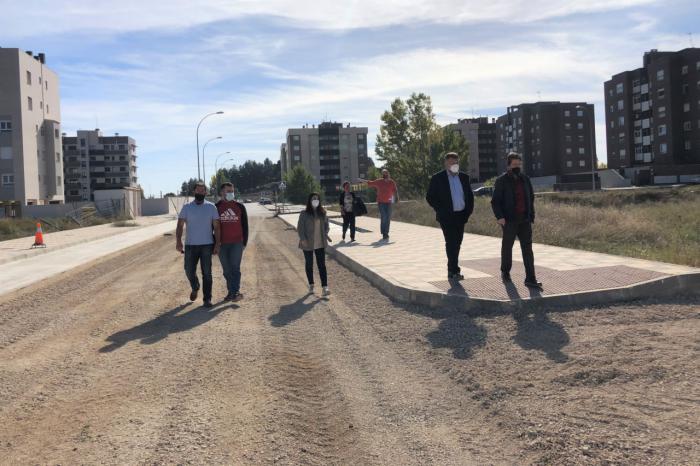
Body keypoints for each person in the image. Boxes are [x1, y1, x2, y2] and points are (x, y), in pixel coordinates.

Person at [491, 152, 542, 289]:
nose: (517, 167)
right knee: (507, 247)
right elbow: (495, 201)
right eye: (514, 165)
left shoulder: (525, 179)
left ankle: (530, 278)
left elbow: (531, 197)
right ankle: (505, 272)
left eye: (519, 164)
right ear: (508, 165)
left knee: (528, 249)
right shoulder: (501, 180)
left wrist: (531, 215)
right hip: (509, 220)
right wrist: (500, 217)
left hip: (525, 220)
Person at [426, 152, 475, 280]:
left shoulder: (464, 177)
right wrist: (441, 210)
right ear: (446, 163)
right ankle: (453, 270)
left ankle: (454, 269)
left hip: (461, 216)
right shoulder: (438, 178)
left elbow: (469, 196)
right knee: (451, 242)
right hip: (446, 217)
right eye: (451, 162)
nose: (454, 164)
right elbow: (430, 197)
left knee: (457, 243)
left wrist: (468, 212)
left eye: (456, 162)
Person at [176, 181, 220, 307]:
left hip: (207, 245)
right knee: (188, 270)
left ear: (206, 192)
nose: (200, 192)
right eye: (198, 190)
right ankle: (195, 287)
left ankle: (207, 299)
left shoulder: (211, 207)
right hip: (190, 245)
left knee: (207, 273)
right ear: (194, 192)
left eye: (202, 190)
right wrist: (178, 241)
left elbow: (217, 227)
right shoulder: (187, 207)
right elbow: (180, 225)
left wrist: (217, 244)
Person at [215, 182, 248, 302]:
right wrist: (215, 244)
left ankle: (235, 292)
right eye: (228, 191)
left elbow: (245, 226)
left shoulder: (240, 207)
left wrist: (244, 242)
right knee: (226, 270)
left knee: (235, 268)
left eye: (232, 191)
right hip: (222, 244)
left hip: (237, 243)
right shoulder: (216, 207)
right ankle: (232, 292)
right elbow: (212, 227)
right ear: (221, 192)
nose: (231, 193)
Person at [297, 193, 331, 297]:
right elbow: (300, 228)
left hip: (320, 243)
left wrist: (326, 233)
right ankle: (311, 284)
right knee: (309, 264)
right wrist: (303, 239)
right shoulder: (304, 213)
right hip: (307, 243)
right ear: (309, 200)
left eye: (317, 198)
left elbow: (326, 225)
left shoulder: (322, 213)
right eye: (313, 198)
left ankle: (325, 287)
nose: (315, 200)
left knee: (322, 265)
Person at [358, 169, 398, 240]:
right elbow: (370, 183)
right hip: (381, 202)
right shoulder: (379, 181)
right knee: (384, 216)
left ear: (388, 174)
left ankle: (386, 232)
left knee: (388, 217)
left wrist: (396, 198)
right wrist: (361, 180)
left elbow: (395, 190)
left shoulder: (391, 182)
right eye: (383, 174)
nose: (385, 175)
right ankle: (384, 233)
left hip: (389, 202)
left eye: (386, 173)